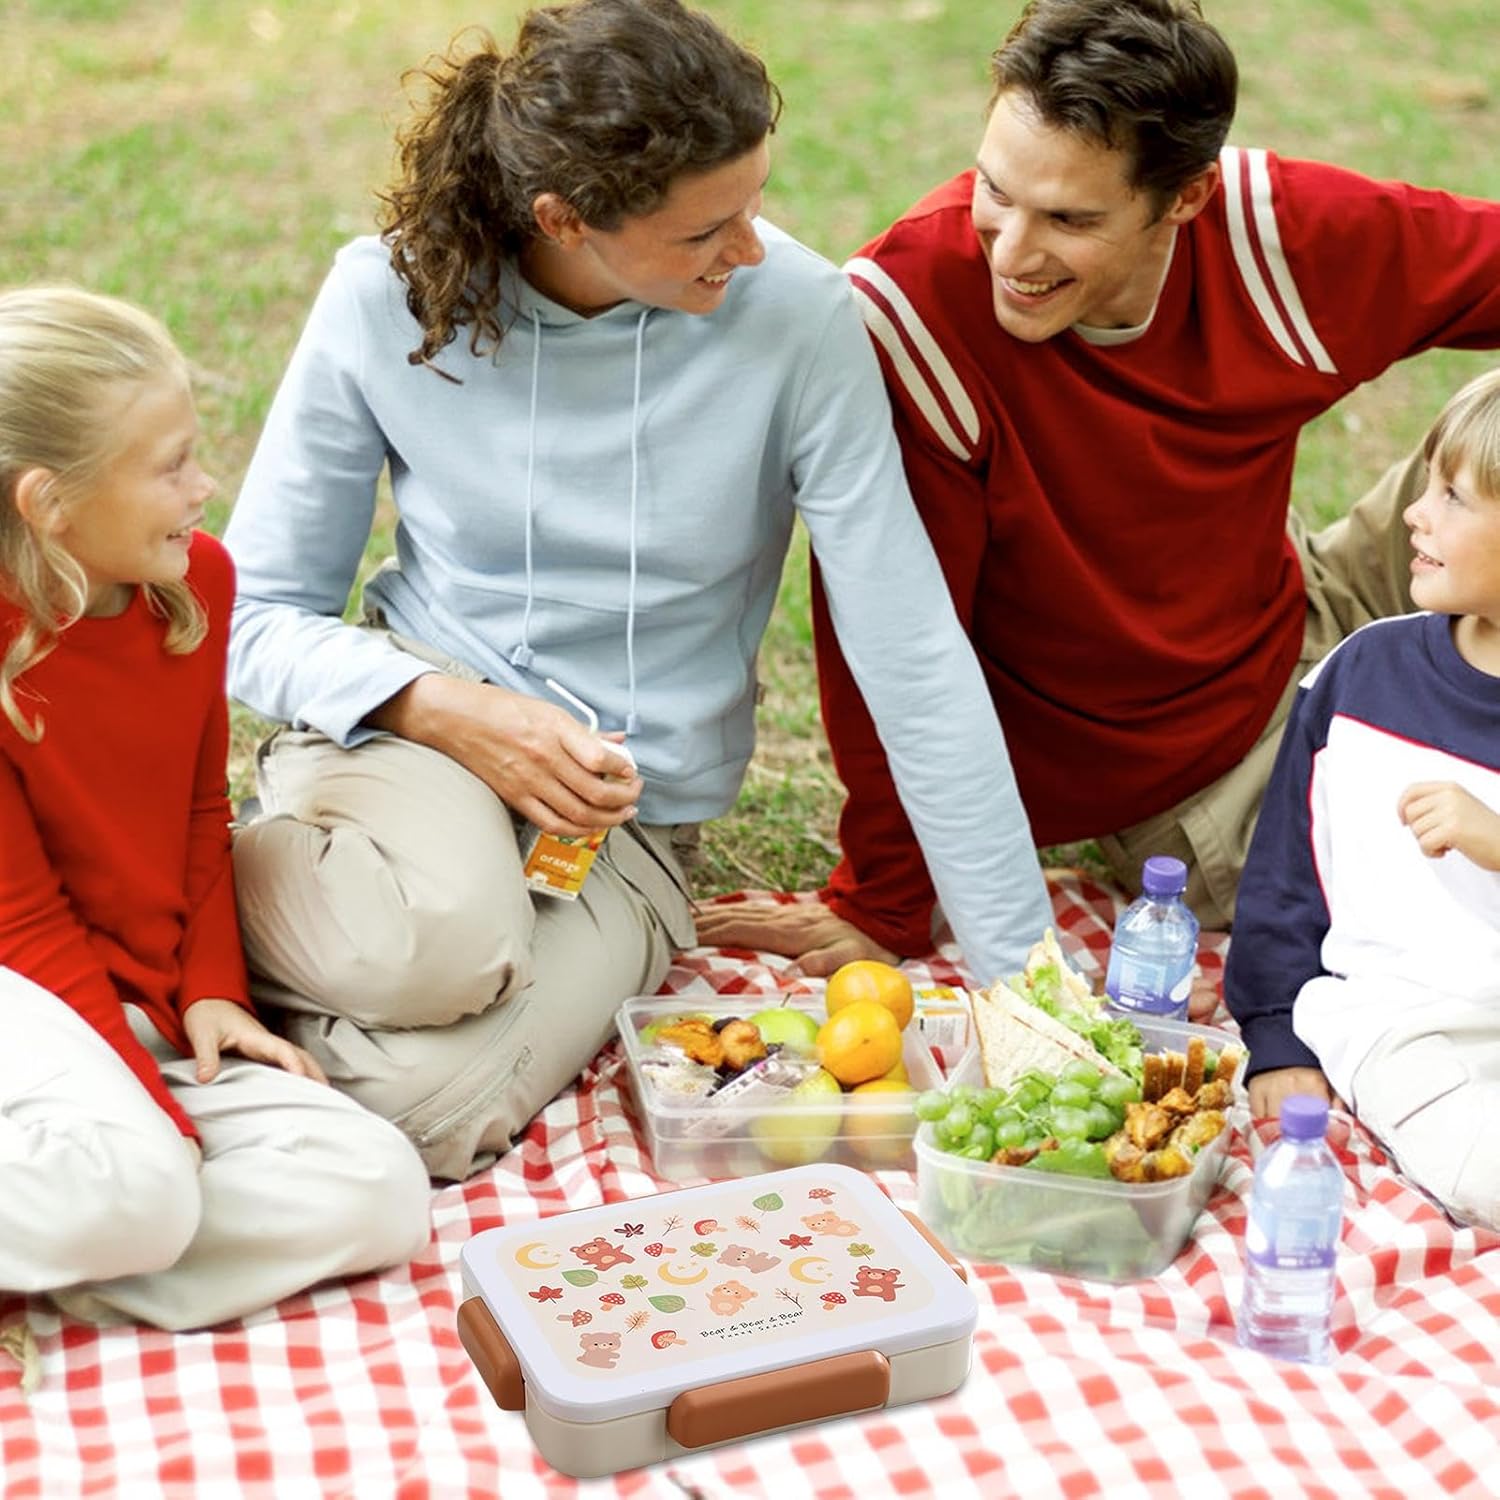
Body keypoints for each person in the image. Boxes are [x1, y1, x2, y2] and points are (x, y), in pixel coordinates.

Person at [224, 0, 1050, 1181]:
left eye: (754, 204)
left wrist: (1026, 984)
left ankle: (248, 1003)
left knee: (432, 1114)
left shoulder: (801, 321)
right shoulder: (384, 298)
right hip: (416, 733)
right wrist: (441, 708)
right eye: (706, 229)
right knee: (439, 947)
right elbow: (251, 615)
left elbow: (910, 649)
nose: (751, 249)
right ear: (564, 218)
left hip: (623, 822)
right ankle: (185, 903)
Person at [697, 0, 1500, 977]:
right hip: (1190, 785)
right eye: (995, 191)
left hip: (1301, 607)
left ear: (1186, 197)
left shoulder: (1279, 241)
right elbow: (894, 644)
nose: (1010, 251)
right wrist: (886, 900)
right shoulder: (916, 320)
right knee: (1456, 906)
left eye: (1070, 220)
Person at [0, 287, 430, 1331]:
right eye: (172, 466)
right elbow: (22, 922)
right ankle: (116, 1208)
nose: (206, 486)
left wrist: (212, 991)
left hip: (132, 1005)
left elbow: (201, 813)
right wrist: (160, 1125)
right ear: (49, 504)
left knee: (379, 1189)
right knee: (143, 1184)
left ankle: (77, 1247)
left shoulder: (196, 580)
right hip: (26, 991)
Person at [1224, 368, 1500, 1227]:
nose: (1415, 513)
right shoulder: (1364, 678)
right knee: (1486, 1174)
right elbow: (1284, 879)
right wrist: (1276, 1034)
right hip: (1408, 1025)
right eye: (1429, 485)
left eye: (1453, 497)